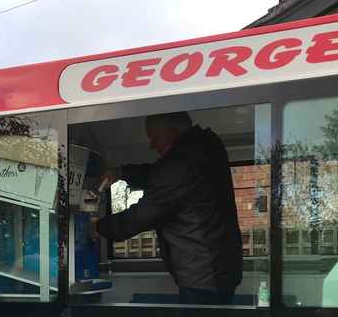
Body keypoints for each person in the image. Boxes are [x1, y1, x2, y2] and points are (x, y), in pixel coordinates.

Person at [95, 112, 243, 305]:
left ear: (173, 131)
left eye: (155, 138)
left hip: (204, 276)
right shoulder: (203, 148)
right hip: (217, 270)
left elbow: (142, 215)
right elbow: (159, 175)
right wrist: (121, 173)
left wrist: (99, 227)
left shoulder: (183, 162)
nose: (151, 145)